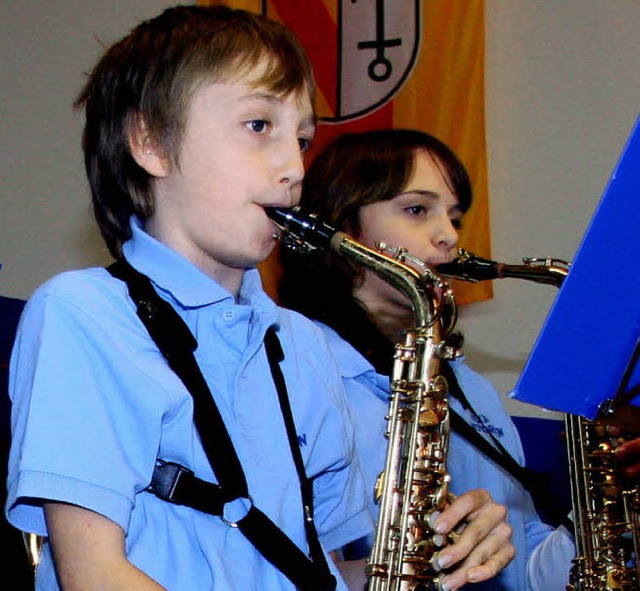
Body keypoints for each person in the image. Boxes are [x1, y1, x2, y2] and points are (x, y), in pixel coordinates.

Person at [5, 6, 376, 590]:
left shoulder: (306, 345)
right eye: (259, 126)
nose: (293, 167)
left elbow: (318, 567)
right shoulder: (85, 314)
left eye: (302, 138)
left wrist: (429, 567)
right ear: (150, 143)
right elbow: (95, 575)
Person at [277, 128, 576, 590]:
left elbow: (529, 575)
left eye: (455, 217)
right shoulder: (290, 367)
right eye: (417, 210)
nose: (449, 237)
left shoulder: (468, 385)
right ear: (342, 225)